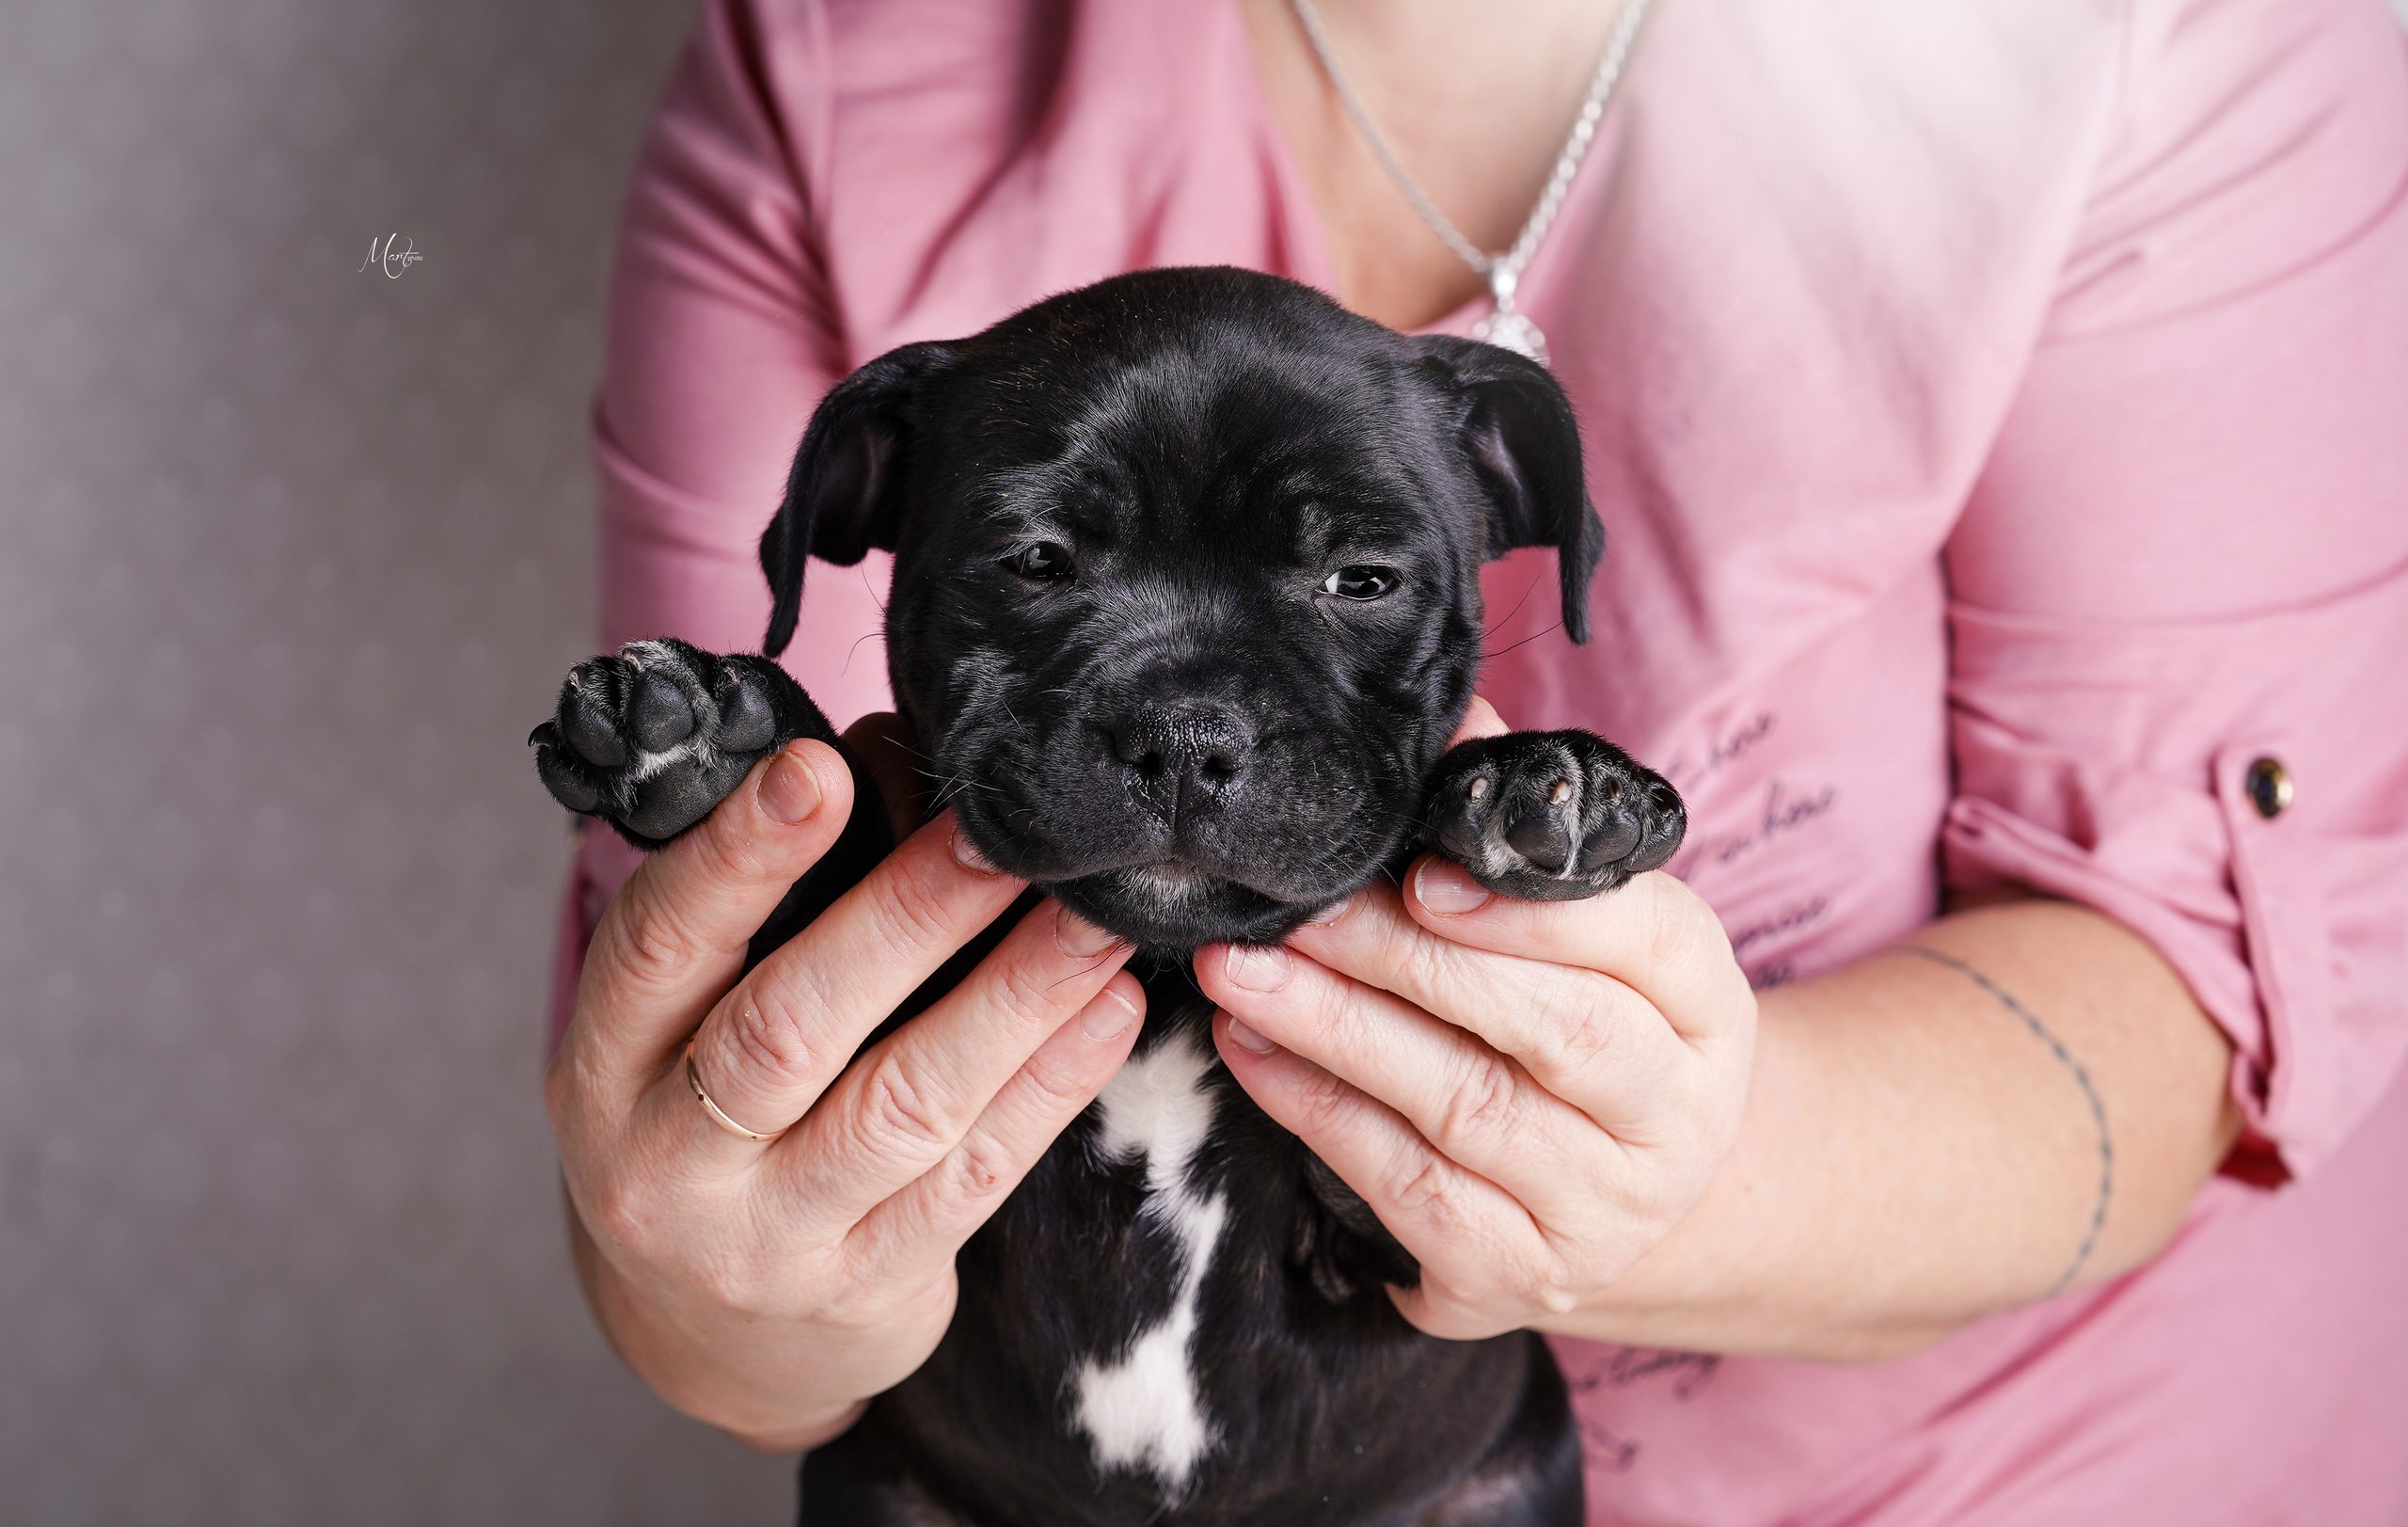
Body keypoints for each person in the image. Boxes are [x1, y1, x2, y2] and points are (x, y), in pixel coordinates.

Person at [542, 0, 2408, 1519]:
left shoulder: (2132, 44)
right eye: (1038, 562)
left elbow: (2193, 995)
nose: (1188, 727)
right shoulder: (837, 63)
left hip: (2008, 1476)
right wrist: (725, 1260)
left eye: (1356, 575)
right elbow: (700, 1250)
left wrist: (1675, 1161)